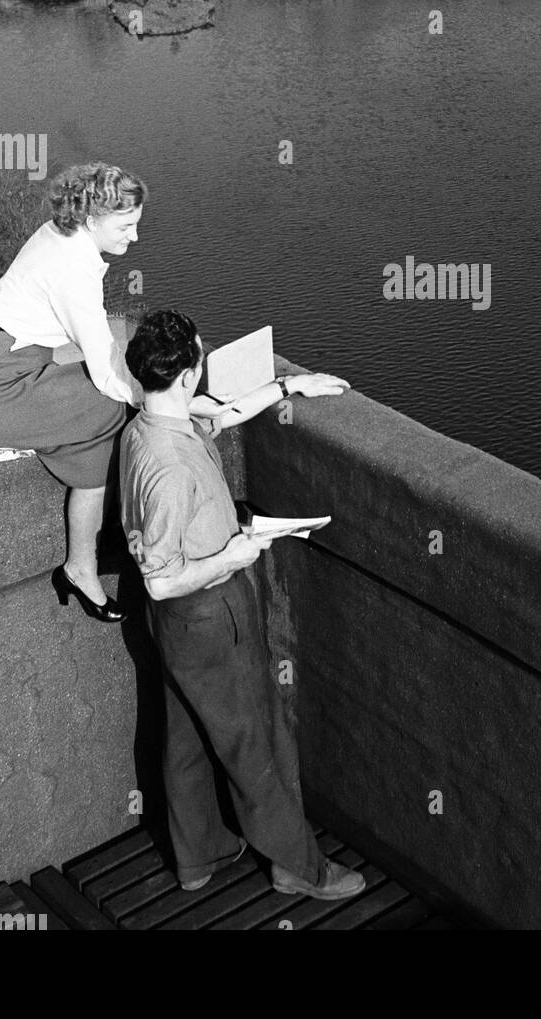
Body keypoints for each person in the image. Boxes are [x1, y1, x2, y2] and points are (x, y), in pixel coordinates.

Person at [119, 309, 365, 900]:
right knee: (257, 740)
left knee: (182, 734)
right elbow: (161, 578)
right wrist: (235, 556)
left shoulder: (145, 428)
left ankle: (197, 856)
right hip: (210, 614)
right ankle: (297, 867)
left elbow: (219, 416)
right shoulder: (172, 469)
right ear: (186, 374)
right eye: (201, 358)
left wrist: (287, 386)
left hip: (176, 628)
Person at [0, 162, 147, 623]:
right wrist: (154, 398)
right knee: (110, 403)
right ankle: (105, 545)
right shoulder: (72, 268)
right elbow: (103, 363)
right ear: (94, 219)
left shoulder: (63, 231)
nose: (134, 237)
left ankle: (82, 563)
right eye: (126, 226)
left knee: (98, 426)